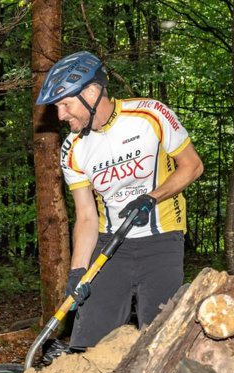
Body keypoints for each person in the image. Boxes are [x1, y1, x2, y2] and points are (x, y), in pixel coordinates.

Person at [36, 51, 204, 349]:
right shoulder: (72, 149)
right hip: (110, 244)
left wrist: (151, 198)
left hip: (162, 238)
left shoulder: (150, 115)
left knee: (160, 341)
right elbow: (86, 215)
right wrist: (77, 271)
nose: (60, 115)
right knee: (89, 344)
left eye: (65, 104)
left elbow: (192, 166)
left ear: (91, 92)